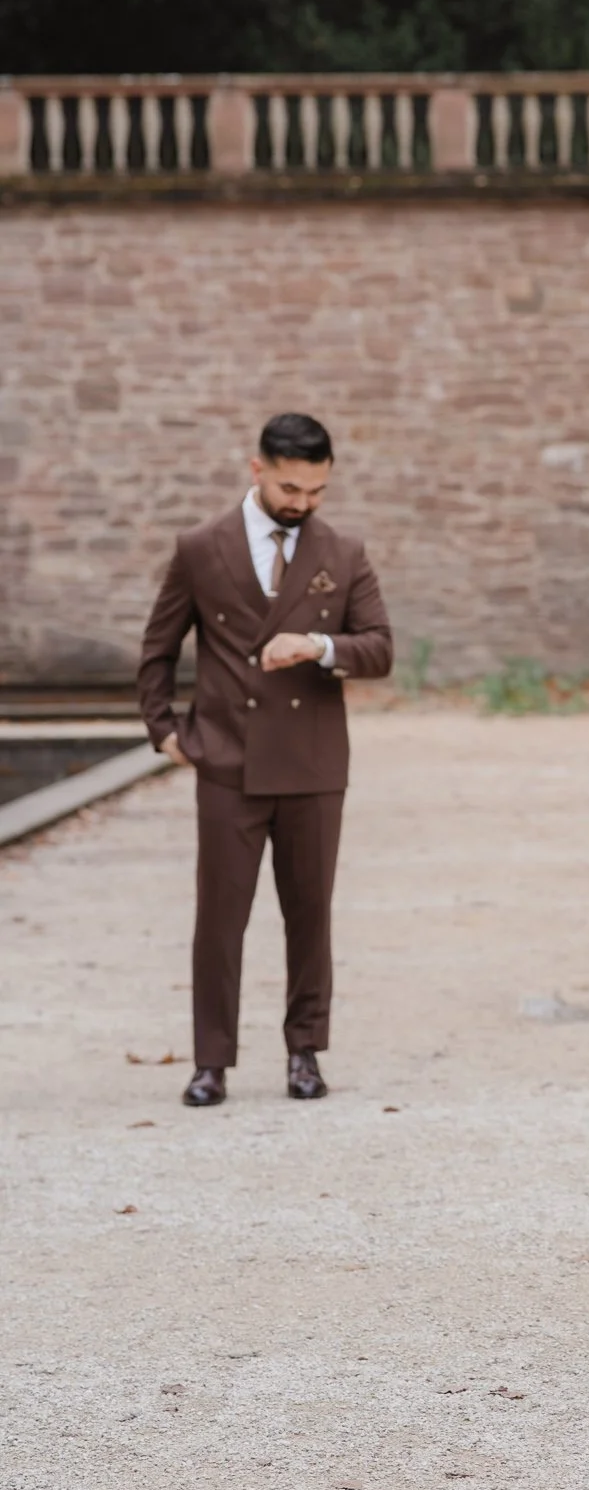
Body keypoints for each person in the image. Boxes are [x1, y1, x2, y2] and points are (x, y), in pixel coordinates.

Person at [138, 413, 393, 1108]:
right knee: (219, 921)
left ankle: (304, 1053)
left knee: (310, 915)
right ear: (256, 468)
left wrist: (317, 646)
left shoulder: (341, 553)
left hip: (312, 765)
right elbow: (158, 647)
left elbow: (379, 647)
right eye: (289, 487)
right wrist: (162, 730)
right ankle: (210, 1062)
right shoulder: (200, 548)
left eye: (315, 490)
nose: (302, 503)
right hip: (228, 761)